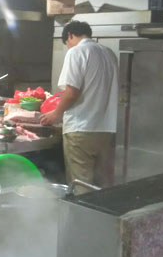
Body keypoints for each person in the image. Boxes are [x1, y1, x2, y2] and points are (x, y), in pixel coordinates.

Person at [40, 21, 118, 191]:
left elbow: (72, 92)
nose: (68, 47)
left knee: (82, 186)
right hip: (107, 130)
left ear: (70, 35)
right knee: (102, 187)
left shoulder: (77, 52)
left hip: (81, 129)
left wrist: (56, 114)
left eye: (67, 44)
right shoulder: (109, 54)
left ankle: (82, 209)